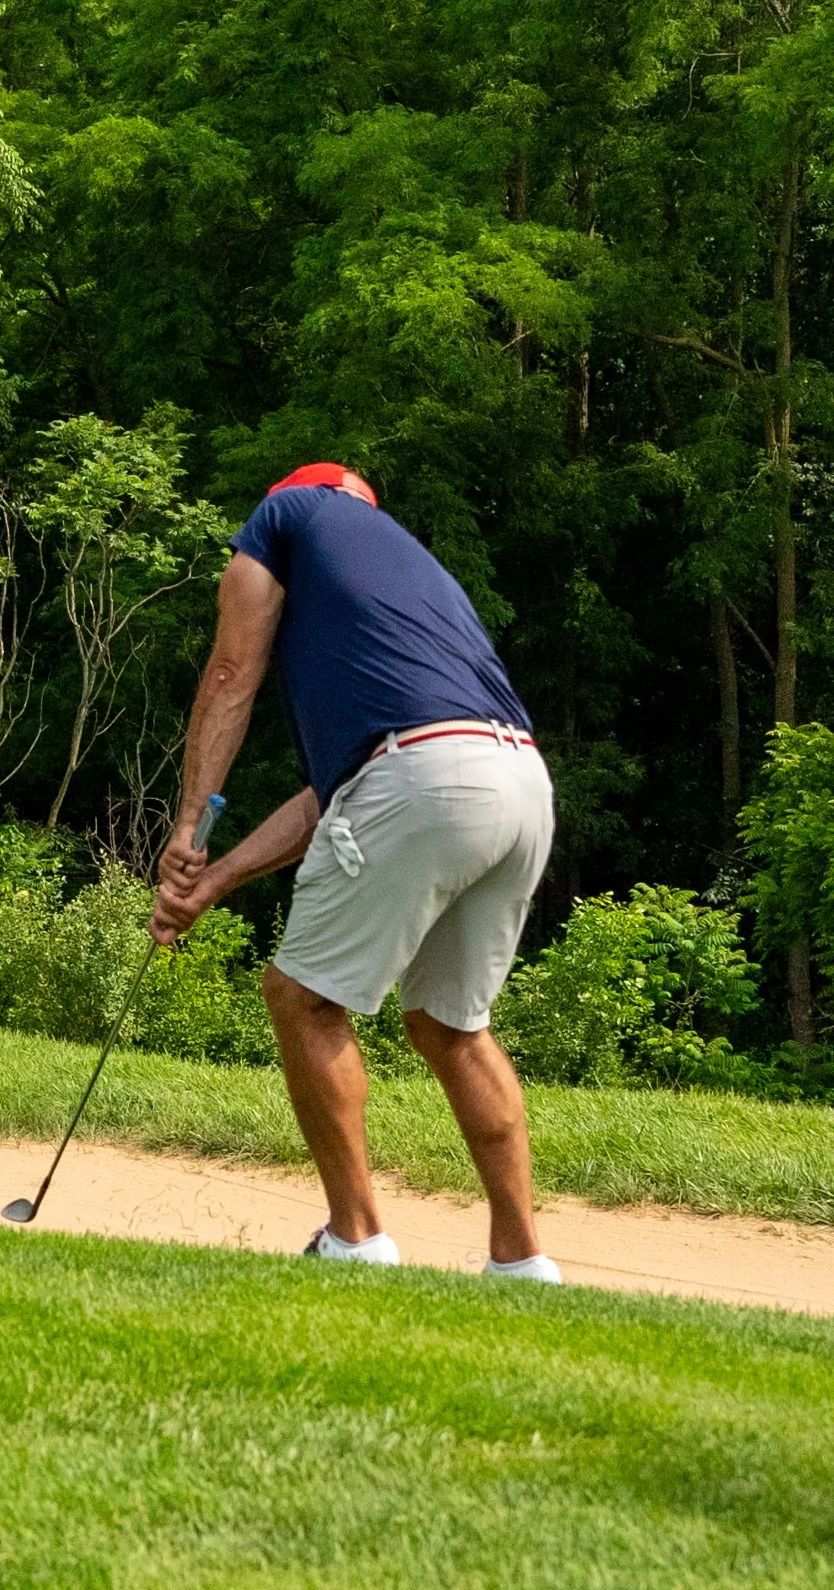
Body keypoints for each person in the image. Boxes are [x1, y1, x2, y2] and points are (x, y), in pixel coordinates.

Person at [152, 459, 561, 1281]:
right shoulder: (411, 584)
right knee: (451, 1025)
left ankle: (356, 1239)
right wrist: (220, 877)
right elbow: (340, 797)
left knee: (303, 998)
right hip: (518, 781)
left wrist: (188, 826)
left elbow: (231, 675)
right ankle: (522, 1264)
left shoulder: (287, 517)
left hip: (422, 776)